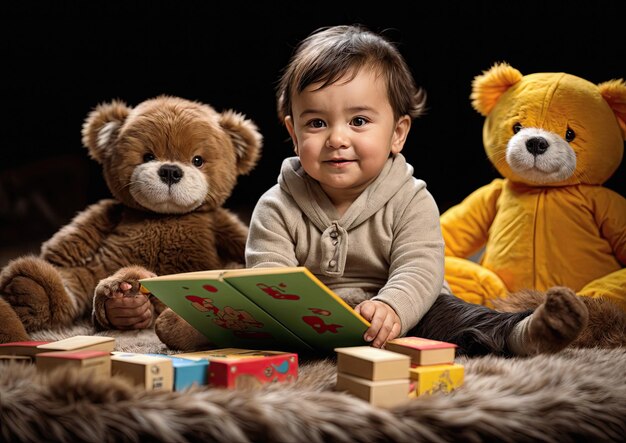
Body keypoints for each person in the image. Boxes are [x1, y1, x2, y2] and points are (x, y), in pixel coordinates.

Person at [103, 24, 587, 357]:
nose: (337, 138)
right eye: (316, 122)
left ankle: (523, 332)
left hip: (398, 310)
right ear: (293, 133)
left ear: (397, 133)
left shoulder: (410, 197)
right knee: (240, 313)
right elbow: (269, 271)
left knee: (455, 317)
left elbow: (420, 266)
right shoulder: (277, 204)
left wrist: (394, 307)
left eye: (359, 121)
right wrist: (282, 309)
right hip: (306, 318)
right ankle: (198, 327)